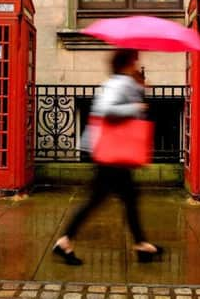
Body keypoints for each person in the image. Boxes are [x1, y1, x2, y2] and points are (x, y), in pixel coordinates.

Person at [52, 49, 163, 266]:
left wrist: (140, 88)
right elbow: (106, 109)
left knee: (127, 198)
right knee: (100, 200)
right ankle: (65, 241)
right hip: (112, 153)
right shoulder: (120, 83)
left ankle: (141, 244)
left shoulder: (122, 81)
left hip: (110, 152)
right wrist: (136, 106)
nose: (136, 64)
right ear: (126, 63)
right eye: (134, 60)